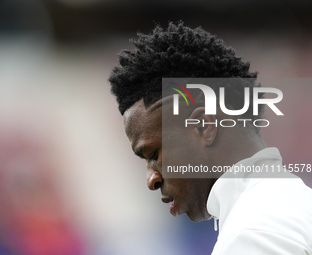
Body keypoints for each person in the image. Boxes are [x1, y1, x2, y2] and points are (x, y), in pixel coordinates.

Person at [108, 21, 312, 254]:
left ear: (204, 126)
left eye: (153, 155)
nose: (152, 180)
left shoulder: (253, 234)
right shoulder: (295, 205)